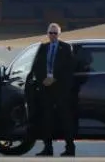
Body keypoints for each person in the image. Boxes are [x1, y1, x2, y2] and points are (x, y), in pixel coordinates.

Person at [29, 22, 76, 156]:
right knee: (46, 119)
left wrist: (55, 78)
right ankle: (47, 148)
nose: (53, 35)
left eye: (55, 33)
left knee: (65, 118)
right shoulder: (43, 48)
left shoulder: (66, 47)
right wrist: (43, 79)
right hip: (46, 88)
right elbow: (37, 66)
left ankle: (70, 148)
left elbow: (69, 67)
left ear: (59, 34)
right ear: (47, 34)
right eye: (51, 33)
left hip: (61, 89)